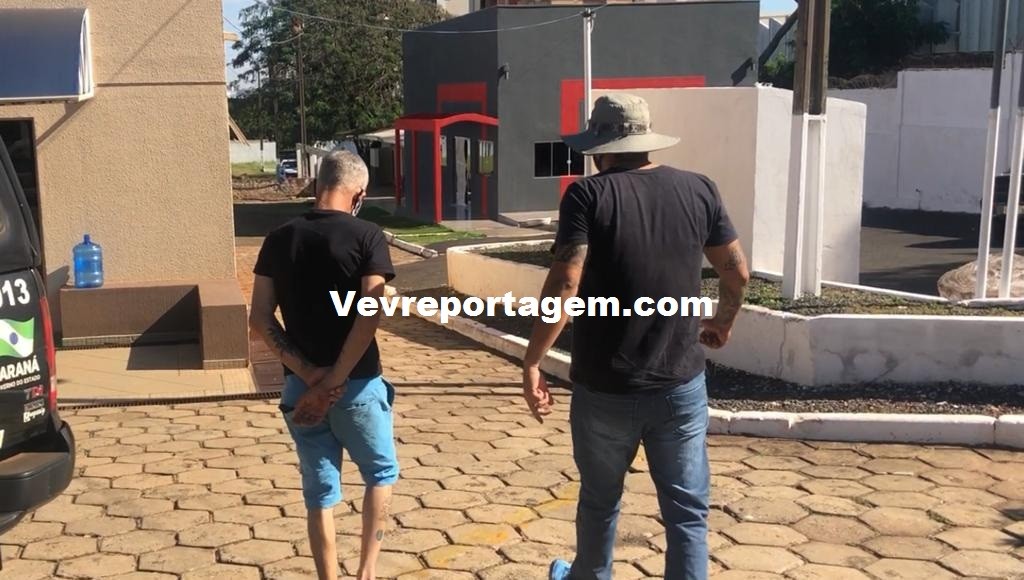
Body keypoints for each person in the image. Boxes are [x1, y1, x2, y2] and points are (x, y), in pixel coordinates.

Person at [522, 94, 750, 580]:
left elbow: (565, 283)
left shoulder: (587, 196)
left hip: (605, 386)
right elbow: (737, 273)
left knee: (600, 500)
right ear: (645, 140)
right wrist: (722, 322)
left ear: (599, 149)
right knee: (687, 512)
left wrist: (533, 360)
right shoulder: (699, 189)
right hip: (680, 385)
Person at [249, 150, 399, 580]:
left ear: (317, 186)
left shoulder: (279, 238)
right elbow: (370, 311)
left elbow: (259, 319)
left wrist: (310, 375)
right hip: (358, 387)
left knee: (319, 494)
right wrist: (335, 378)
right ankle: (366, 572)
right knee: (380, 473)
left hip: (300, 389)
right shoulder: (367, 235)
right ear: (360, 195)